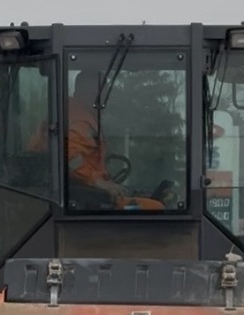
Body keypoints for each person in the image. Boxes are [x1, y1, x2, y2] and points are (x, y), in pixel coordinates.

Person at [28, 71, 167, 210]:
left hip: (79, 188)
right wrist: (99, 182)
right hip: (77, 193)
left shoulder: (74, 111)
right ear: (91, 93)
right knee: (156, 208)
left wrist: (106, 181)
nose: (105, 99)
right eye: (103, 92)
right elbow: (69, 156)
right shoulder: (80, 119)